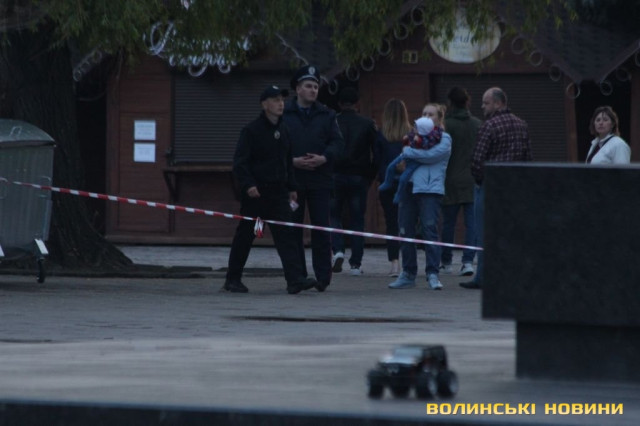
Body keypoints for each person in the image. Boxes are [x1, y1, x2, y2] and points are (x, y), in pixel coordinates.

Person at [224, 85, 318, 294]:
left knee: (286, 236)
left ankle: (295, 280)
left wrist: (291, 187)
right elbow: (240, 162)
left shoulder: (284, 129)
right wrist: (248, 185)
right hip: (257, 195)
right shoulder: (251, 130)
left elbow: (286, 161)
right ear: (264, 104)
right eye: (275, 100)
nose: (280, 104)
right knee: (247, 235)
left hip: (278, 194)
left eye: (282, 100)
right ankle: (232, 279)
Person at [460, 87, 532, 290]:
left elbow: (477, 159)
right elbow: (528, 157)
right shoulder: (522, 124)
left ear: (498, 103)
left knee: (484, 233)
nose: (482, 106)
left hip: (490, 186)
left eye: (486, 103)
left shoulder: (489, 126)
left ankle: (483, 277)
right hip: (514, 186)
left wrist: (480, 181)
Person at [283, 65, 344, 292]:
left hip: (320, 179)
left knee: (321, 228)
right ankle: (298, 276)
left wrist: (324, 158)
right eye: (308, 86)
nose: (313, 90)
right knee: (293, 229)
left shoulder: (327, 114)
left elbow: (338, 143)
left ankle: (323, 277)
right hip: (293, 180)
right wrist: (291, 161)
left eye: (316, 87)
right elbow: (275, 145)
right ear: (298, 89)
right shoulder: (284, 113)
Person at [388, 113, 452, 290]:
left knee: (429, 230)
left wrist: (409, 153)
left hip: (429, 189)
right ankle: (408, 273)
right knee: (404, 229)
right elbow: (404, 159)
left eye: (431, 114)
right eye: (424, 114)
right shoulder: (412, 137)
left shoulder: (444, 139)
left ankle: (433, 273)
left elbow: (431, 156)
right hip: (408, 187)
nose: (426, 117)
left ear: (438, 119)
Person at [329, 87, 378, 276]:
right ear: (357, 103)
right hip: (359, 176)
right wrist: (370, 175)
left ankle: (338, 250)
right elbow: (377, 152)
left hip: (335, 175)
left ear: (339, 103)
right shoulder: (367, 124)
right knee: (357, 219)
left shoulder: (332, 122)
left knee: (334, 215)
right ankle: (356, 264)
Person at [439, 87, 482, 277]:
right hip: (473, 179)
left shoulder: (446, 125)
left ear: (450, 103)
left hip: (450, 180)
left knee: (448, 223)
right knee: (472, 224)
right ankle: (468, 262)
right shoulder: (477, 124)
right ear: (467, 102)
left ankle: (446, 261)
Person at [376, 99, 413, 277]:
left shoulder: (381, 134)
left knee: (391, 223)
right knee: (408, 223)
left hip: (388, 184)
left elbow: (378, 161)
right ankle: (409, 262)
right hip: (408, 184)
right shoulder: (412, 134)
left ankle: (394, 264)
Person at [378, 117, 443, 204]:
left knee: (403, 178)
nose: (413, 128)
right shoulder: (413, 134)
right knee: (391, 166)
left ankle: (399, 194)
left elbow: (425, 149)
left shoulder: (427, 139)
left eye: (416, 127)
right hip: (405, 154)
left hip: (414, 160)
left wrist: (418, 141)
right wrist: (406, 141)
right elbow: (406, 143)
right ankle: (387, 182)